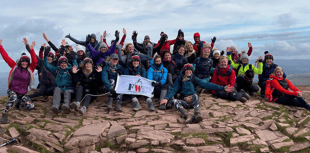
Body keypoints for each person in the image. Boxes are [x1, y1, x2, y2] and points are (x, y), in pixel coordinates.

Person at [160, 64, 234, 124]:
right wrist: (166, 98)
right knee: (174, 101)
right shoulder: (179, 79)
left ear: (192, 71)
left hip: (193, 99)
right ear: (184, 71)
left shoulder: (194, 78)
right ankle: (187, 114)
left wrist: (222, 88)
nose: (188, 72)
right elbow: (173, 90)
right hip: (184, 100)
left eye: (190, 70)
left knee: (195, 95)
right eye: (187, 70)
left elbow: (207, 85)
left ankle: (197, 113)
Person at [0, 38, 37, 123]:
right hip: (13, 91)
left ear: (28, 63)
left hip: (23, 93)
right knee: (13, 98)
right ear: (20, 62)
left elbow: (34, 61)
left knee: (30, 106)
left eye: (26, 62)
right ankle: (4, 114)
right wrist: (0, 47)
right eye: (22, 61)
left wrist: (31, 50)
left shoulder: (30, 69)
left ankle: (19, 102)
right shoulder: (14, 66)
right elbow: (6, 57)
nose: (24, 63)